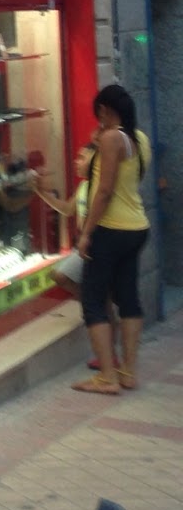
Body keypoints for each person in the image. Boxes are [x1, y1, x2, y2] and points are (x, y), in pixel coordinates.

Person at [71, 83, 151, 394]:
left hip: (109, 229)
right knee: (128, 298)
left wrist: (87, 233)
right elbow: (130, 180)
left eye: (98, 114)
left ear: (104, 110)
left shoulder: (110, 139)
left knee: (93, 301)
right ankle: (127, 372)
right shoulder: (138, 138)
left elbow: (104, 191)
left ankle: (106, 376)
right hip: (136, 226)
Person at [34, 142, 95, 294]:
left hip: (94, 245)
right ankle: (94, 304)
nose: (76, 162)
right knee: (60, 275)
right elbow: (68, 209)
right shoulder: (83, 185)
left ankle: (93, 304)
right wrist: (40, 192)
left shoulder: (99, 188)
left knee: (61, 275)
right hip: (85, 245)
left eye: (82, 158)